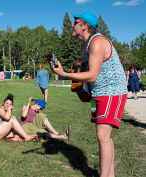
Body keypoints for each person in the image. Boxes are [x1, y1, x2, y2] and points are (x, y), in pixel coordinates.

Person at [52, 12, 127, 177]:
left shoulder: (97, 42)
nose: (72, 25)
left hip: (111, 91)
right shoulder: (86, 45)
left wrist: (64, 75)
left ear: (85, 25)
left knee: (103, 135)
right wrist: (73, 76)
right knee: (103, 136)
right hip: (97, 94)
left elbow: (92, 75)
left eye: (75, 22)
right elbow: (87, 73)